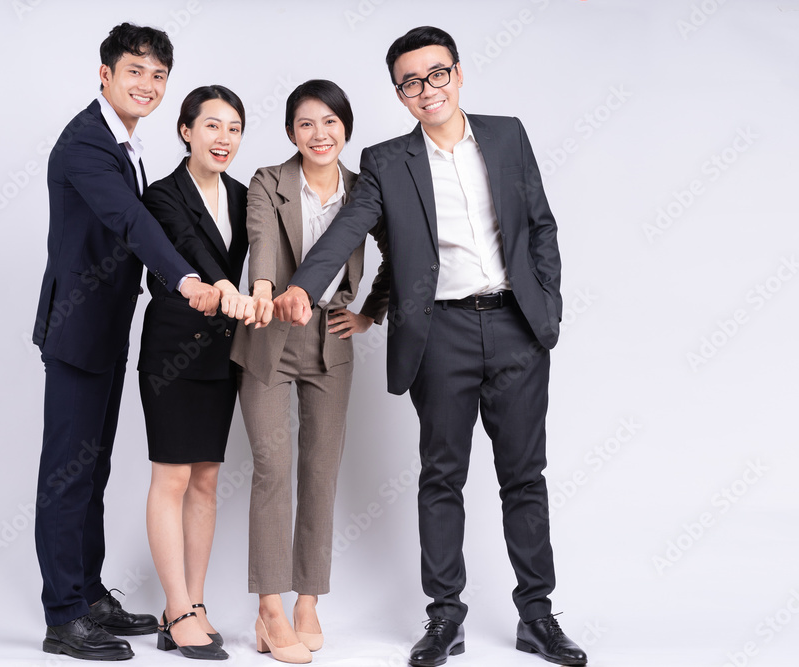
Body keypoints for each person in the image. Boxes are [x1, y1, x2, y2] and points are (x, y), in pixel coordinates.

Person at [275, 27, 588, 667]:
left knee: (524, 477)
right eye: (411, 82)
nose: (427, 90)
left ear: (458, 74)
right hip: (439, 335)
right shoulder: (390, 162)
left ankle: (538, 615)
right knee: (441, 477)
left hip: (516, 329)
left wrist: (546, 310)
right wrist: (303, 288)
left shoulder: (507, 136)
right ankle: (445, 616)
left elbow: (543, 225)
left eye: (436, 74)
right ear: (399, 93)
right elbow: (345, 232)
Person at [31, 23, 229, 662]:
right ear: (105, 74)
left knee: (93, 469)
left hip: (108, 329)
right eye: (134, 71)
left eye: (158, 76)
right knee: (67, 473)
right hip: (77, 330)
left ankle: (89, 595)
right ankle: (64, 618)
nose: (147, 85)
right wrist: (187, 279)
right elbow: (129, 219)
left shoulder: (127, 142)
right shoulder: (87, 144)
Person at [230, 79, 390, 664]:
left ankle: (307, 599)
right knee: (273, 469)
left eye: (329, 122)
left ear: (345, 126)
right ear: (291, 132)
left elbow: (402, 249)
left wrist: (371, 311)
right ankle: (270, 607)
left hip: (331, 339)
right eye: (305, 124)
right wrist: (268, 291)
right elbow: (261, 243)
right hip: (271, 332)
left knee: (320, 471)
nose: (318, 134)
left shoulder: (365, 189)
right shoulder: (269, 182)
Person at [137, 85, 255, 661]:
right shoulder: (161, 195)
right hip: (171, 353)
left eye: (234, 128)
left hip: (221, 354)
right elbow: (185, 248)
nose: (224, 139)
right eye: (212, 126)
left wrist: (255, 290)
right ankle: (177, 606)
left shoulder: (242, 194)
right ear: (186, 131)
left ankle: (192, 605)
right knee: (173, 479)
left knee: (206, 478)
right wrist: (224, 285)